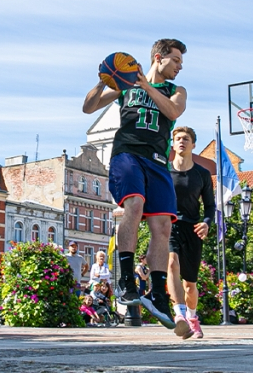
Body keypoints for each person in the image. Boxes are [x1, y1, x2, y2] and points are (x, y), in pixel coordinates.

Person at [82, 38, 191, 338]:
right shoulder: (126, 86)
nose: (180, 66)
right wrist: (105, 78)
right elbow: (88, 107)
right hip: (127, 154)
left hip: (157, 162)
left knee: (162, 228)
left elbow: (173, 112)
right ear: (159, 57)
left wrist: (145, 86)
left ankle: (157, 294)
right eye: (176, 60)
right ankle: (126, 280)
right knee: (134, 205)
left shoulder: (175, 91)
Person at [166, 126, 214, 339]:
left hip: (193, 228)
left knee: (190, 285)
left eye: (186, 139)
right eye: (178, 139)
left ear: (193, 145)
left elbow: (210, 207)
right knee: (171, 263)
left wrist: (206, 223)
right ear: (173, 144)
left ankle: (193, 318)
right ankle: (179, 315)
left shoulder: (202, 174)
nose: (182, 142)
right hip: (170, 225)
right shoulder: (164, 171)